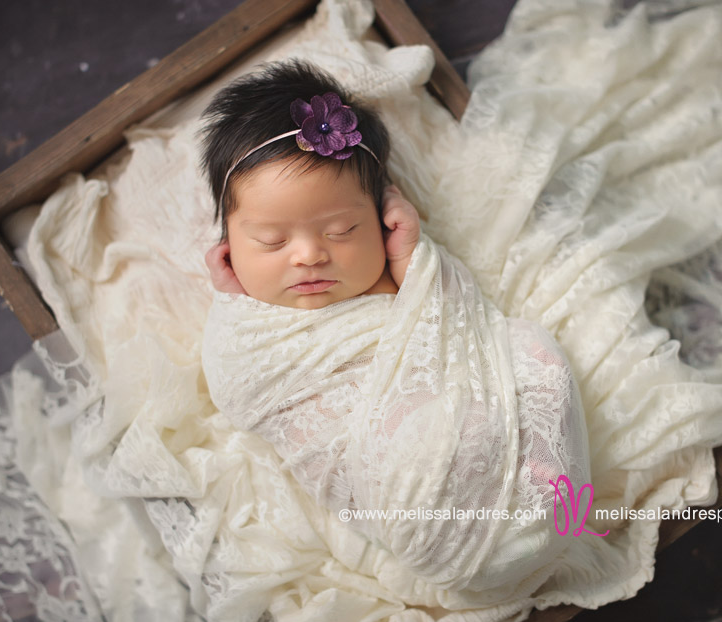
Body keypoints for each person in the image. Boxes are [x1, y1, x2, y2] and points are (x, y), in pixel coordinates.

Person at [199, 59, 591, 590]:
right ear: (227, 248)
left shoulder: (396, 277)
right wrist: (233, 301)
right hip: (411, 507)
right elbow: (237, 387)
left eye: (342, 230)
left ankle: (538, 487)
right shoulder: (249, 332)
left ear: (382, 218)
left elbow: (456, 318)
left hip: (484, 445)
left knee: (532, 351)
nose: (310, 255)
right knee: (416, 440)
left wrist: (410, 255)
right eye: (271, 241)